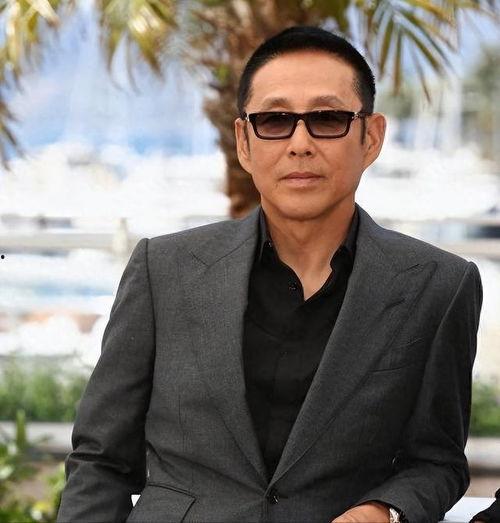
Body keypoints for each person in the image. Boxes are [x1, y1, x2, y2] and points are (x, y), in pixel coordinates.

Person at [57, 26, 483, 523]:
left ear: (371, 138)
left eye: (327, 119)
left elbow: (437, 461)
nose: (300, 143)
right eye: (275, 120)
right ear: (243, 141)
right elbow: (101, 461)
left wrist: (384, 511)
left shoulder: (439, 285)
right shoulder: (163, 268)